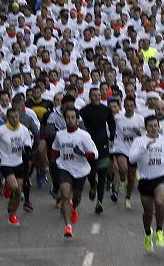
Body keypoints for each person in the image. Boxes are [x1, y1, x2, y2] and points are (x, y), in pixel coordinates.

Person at [129, 115, 164, 252]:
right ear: (146, 128)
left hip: (160, 178)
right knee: (148, 212)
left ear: (159, 126)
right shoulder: (139, 141)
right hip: (145, 180)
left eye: (155, 125)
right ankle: (147, 233)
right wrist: (145, 146)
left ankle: (159, 230)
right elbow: (132, 159)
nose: (153, 128)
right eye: (150, 126)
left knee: (159, 202)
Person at [51, 107, 97, 238]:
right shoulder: (60, 134)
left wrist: (82, 153)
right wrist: (53, 161)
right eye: (68, 117)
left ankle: (74, 207)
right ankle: (68, 226)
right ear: (64, 119)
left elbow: (95, 153)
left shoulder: (84, 136)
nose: (70, 120)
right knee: (65, 195)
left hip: (80, 170)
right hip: (64, 167)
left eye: (73, 117)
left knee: (76, 197)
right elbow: (55, 149)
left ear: (77, 119)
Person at [0, 107, 33, 227]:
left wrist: (27, 148)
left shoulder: (24, 130)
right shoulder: (0, 130)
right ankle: (7, 185)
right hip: (5, 162)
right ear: (8, 118)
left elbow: (27, 143)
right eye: (12, 117)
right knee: (14, 186)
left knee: (18, 192)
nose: (15, 119)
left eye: (17, 117)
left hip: (18, 161)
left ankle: (12, 215)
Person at [79, 87, 115, 214]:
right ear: (90, 97)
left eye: (99, 95)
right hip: (89, 145)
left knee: (103, 173)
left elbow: (111, 124)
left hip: (103, 145)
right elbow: (79, 126)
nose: (97, 97)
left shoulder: (106, 110)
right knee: (91, 171)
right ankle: (92, 185)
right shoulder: (83, 111)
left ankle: (99, 202)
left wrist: (111, 137)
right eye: (94, 95)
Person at [111, 95, 144, 209]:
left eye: (131, 106)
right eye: (127, 106)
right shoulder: (118, 118)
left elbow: (144, 134)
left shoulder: (140, 119)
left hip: (134, 150)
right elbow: (111, 129)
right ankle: (121, 180)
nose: (129, 108)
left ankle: (128, 197)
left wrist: (138, 132)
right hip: (121, 148)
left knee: (132, 178)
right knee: (123, 168)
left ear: (134, 106)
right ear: (123, 106)